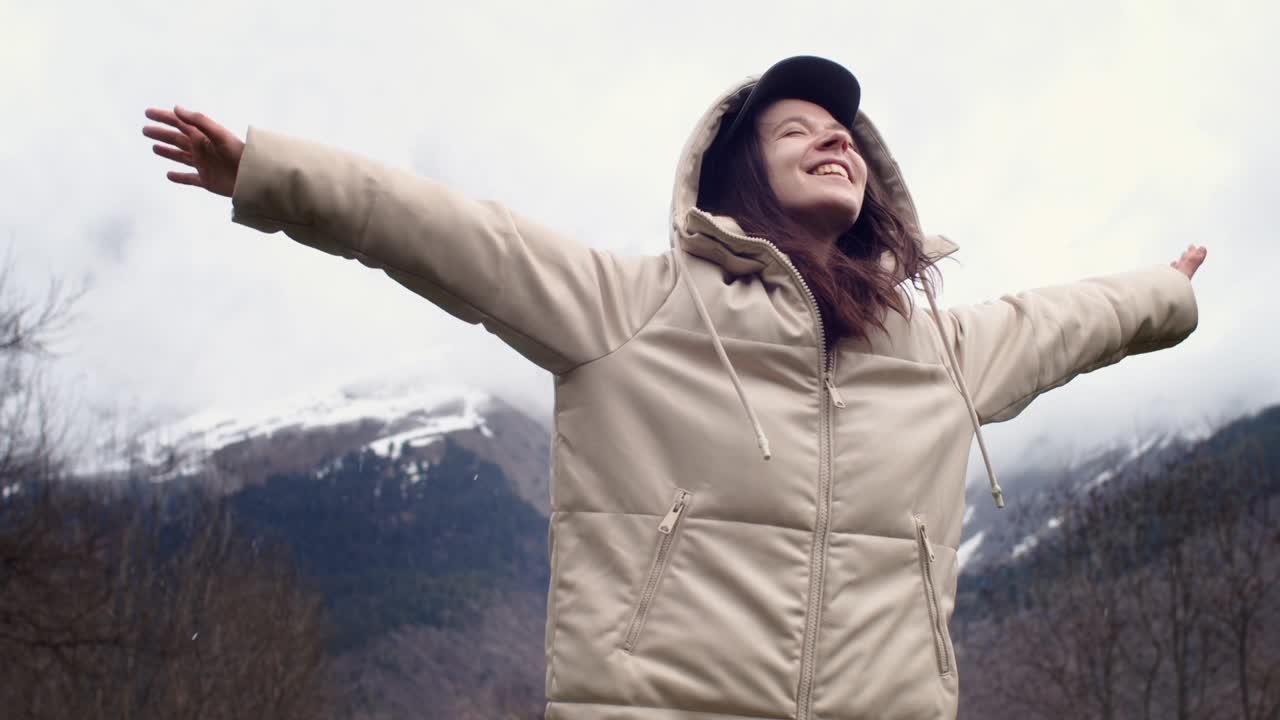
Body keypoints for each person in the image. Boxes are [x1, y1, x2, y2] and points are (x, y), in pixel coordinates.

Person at [142, 55, 1205, 720]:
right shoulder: (636, 309)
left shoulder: (936, 352)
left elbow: (1070, 320)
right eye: (796, 130)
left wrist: (1163, 289)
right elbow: (457, 237)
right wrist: (272, 174)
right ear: (738, 173)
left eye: (841, 135)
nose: (833, 139)